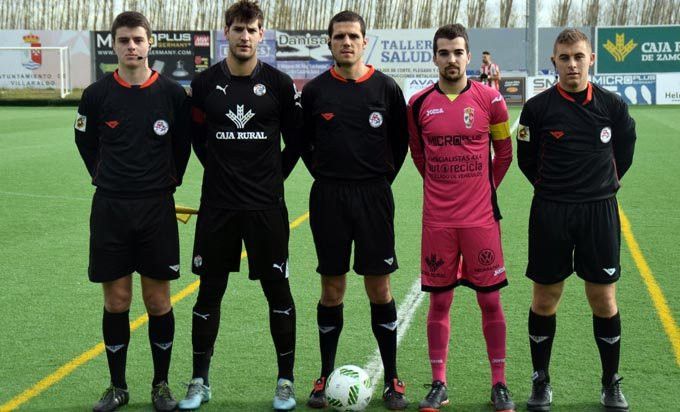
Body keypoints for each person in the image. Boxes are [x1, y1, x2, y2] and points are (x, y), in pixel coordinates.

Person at [178, 1, 302, 411]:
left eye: (252, 30)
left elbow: (296, 142)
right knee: (209, 293)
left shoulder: (281, 85)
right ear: (225, 33)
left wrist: (272, 178)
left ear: (262, 34)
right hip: (218, 208)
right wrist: (218, 170)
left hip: (266, 208)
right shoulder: (203, 84)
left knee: (277, 291)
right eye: (237, 29)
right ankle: (200, 380)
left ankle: (285, 381)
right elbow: (196, 137)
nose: (245, 36)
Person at [75, 11, 190, 412]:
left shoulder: (173, 95)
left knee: (158, 301)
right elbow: (85, 143)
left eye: (138, 39)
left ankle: (161, 385)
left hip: (156, 207)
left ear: (149, 42)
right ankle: (118, 386)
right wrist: (105, 176)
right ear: (114, 45)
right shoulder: (96, 94)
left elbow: (182, 149)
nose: (131, 47)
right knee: (117, 300)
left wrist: (163, 183)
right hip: (110, 208)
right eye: (123, 40)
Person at [516, 28, 636, 412]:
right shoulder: (536, 109)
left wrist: (601, 186)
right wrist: (555, 189)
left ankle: (610, 382)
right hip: (551, 211)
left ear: (591, 59)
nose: (572, 64)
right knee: (545, 298)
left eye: (578, 57)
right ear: (554, 62)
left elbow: (624, 152)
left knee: (603, 298)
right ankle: (540, 381)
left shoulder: (612, 106)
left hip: (598, 211)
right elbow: (527, 160)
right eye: (564, 57)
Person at [300, 10, 410, 411]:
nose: (346, 42)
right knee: (332, 288)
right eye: (339, 37)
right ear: (329, 43)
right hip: (328, 197)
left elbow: (400, 143)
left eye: (353, 36)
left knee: (379, 287)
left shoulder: (386, 88)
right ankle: (324, 375)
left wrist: (377, 182)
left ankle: (393, 377)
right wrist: (331, 177)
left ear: (365, 42)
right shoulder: (314, 92)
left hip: (374, 197)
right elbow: (305, 145)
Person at [407, 24, 515, 412]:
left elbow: (504, 155)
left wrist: (481, 191)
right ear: (434, 57)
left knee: (490, 301)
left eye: (457, 52)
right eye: (443, 53)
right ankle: (439, 383)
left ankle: (499, 384)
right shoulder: (418, 104)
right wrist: (444, 187)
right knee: (440, 303)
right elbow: (419, 156)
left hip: (480, 220)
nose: (451, 59)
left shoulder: (492, 101)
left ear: (469, 57)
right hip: (438, 221)